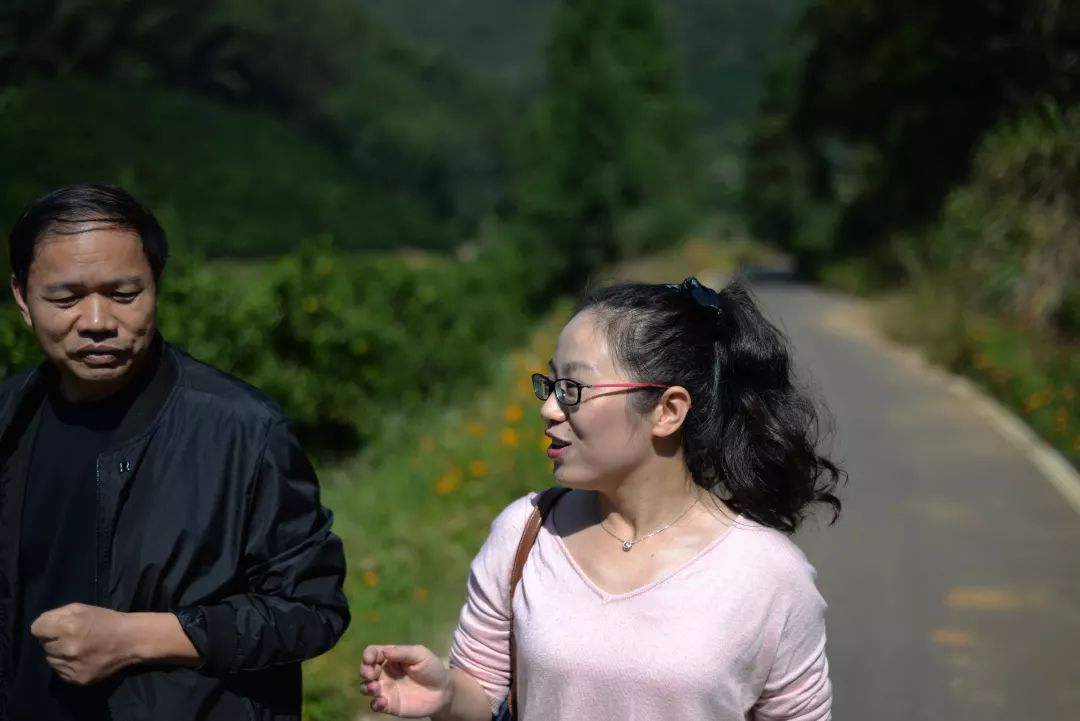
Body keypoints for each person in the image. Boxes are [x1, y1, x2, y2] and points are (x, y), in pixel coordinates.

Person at [359, 277, 843, 720]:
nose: (550, 409)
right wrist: (446, 695)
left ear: (668, 410)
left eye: (573, 388)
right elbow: (482, 693)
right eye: (551, 384)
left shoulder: (768, 575)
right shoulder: (526, 530)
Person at [0, 184, 350, 721]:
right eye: (65, 299)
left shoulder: (241, 430)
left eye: (124, 294)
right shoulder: (10, 419)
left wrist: (134, 638)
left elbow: (311, 610)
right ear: (23, 298)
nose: (97, 321)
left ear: (157, 285)